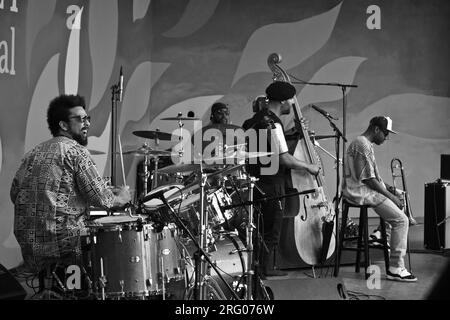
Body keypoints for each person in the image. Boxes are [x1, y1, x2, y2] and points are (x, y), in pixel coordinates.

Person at [10, 94, 131, 279]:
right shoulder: (76, 152)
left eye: (87, 118)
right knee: (114, 250)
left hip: (29, 248)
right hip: (65, 246)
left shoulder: (33, 153)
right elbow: (103, 199)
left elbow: (14, 193)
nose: (87, 124)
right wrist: (122, 196)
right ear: (63, 125)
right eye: (80, 119)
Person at [242, 81, 320, 278]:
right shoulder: (272, 123)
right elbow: (284, 158)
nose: (292, 106)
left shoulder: (252, 121)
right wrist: (309, 167)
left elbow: (268, 148)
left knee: (258, 229)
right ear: (284, 101)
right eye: (291, 102)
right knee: (271, 231)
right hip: (272, 184)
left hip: (256, 182)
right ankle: (263, 272)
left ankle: (255, 269)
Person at [342, 116, 417, 282]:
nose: (386, 137)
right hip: (361, 192)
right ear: (376, 129)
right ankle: (396, 267)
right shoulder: (362, 144)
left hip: (364, 190)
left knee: (399, 197)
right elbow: (368, 180)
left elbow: (372, 177)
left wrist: (391, 189)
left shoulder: (363, 143)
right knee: (402, 220)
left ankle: (381, 233)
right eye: (385, 133)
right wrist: (390, 196)